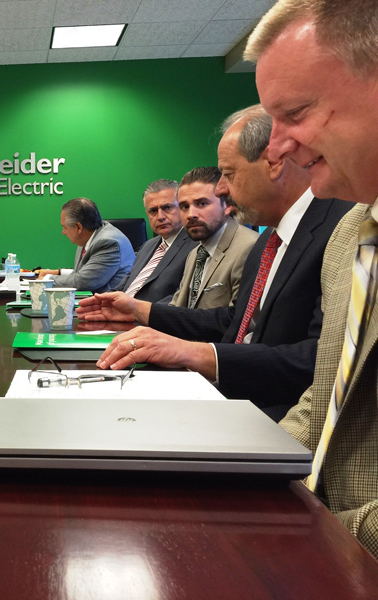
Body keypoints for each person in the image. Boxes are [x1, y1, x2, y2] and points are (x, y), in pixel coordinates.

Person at [77, 105, 351, 420]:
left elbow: (323, 361)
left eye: (229, 174)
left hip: (278, 416)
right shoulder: (269, 241)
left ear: (275, 161)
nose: (221, 188)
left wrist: (195, 354)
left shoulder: (341, 229)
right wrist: (141, 311)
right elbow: (232, 322)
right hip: (227, 397)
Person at [243, 0, 378, 556]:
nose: (276, 147)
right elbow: (323, 401)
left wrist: (318, 537)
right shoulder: (352, 231)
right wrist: (246, 481)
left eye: (295, 113)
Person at [168, 166, 258, 309]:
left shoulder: (250, 247)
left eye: (202, 203)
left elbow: (238, 318)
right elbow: (178, 308)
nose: (191, 214)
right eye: (184, 207)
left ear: (227, 205)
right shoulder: (195, 253)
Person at [115, 179, 196, 302]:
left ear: (183, 208)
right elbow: (123, 286)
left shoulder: (196, 246)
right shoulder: (147, 246)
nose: (160, 217)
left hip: (150, 313)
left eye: (167, 208)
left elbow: (183, 298)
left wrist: (136, 310)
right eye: (153, 211)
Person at [35, 197, 134, 293]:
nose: (63, 232)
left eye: (64, 227)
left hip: (110, 302)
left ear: (78, 227)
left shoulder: (108, 243)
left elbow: (84, 281)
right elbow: (82, 273)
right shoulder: (87, 235)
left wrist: (46, 279)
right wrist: (58, 272)